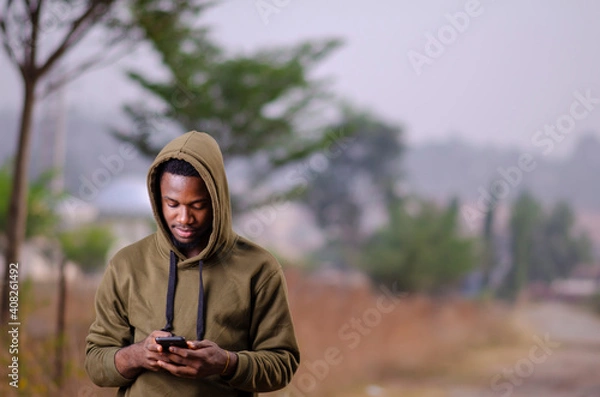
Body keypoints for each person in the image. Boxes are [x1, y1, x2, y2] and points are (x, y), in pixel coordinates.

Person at [85, 131, 300, 396]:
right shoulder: (127, 265)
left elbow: (282, 365)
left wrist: (226, 363)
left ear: (218, 201)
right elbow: (96, 362)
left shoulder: (259, 269)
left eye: (198, 205)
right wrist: (139, 354)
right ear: (157, 198)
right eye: (172, 204)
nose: (184, 218)